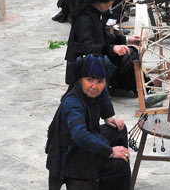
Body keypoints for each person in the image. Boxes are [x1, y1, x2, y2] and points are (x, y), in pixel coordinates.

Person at [46, 55, 131, 190]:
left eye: (100, 81)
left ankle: (110, 179)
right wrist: (110, 151)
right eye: (89, 80)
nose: (94, 86)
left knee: (119, 130)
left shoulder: (94, 90)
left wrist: (108, 116)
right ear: (80, 80)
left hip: (86, 139)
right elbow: (80, 135)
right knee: (119, 163)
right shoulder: (73, 103)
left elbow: (103, 94)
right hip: (72, 153)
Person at [65, 0, 140, 93]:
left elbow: (103, 36)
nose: (111, 5)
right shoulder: (84, 18)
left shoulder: (95, 13)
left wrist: (126, 40)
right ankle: (144, 91)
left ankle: (142, 88)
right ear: (100, 1)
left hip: (96, 55)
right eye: (110, 2)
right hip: (84, 62)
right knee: (127, 58)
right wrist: (112, 49)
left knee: (132, 51)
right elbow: (86, 47)